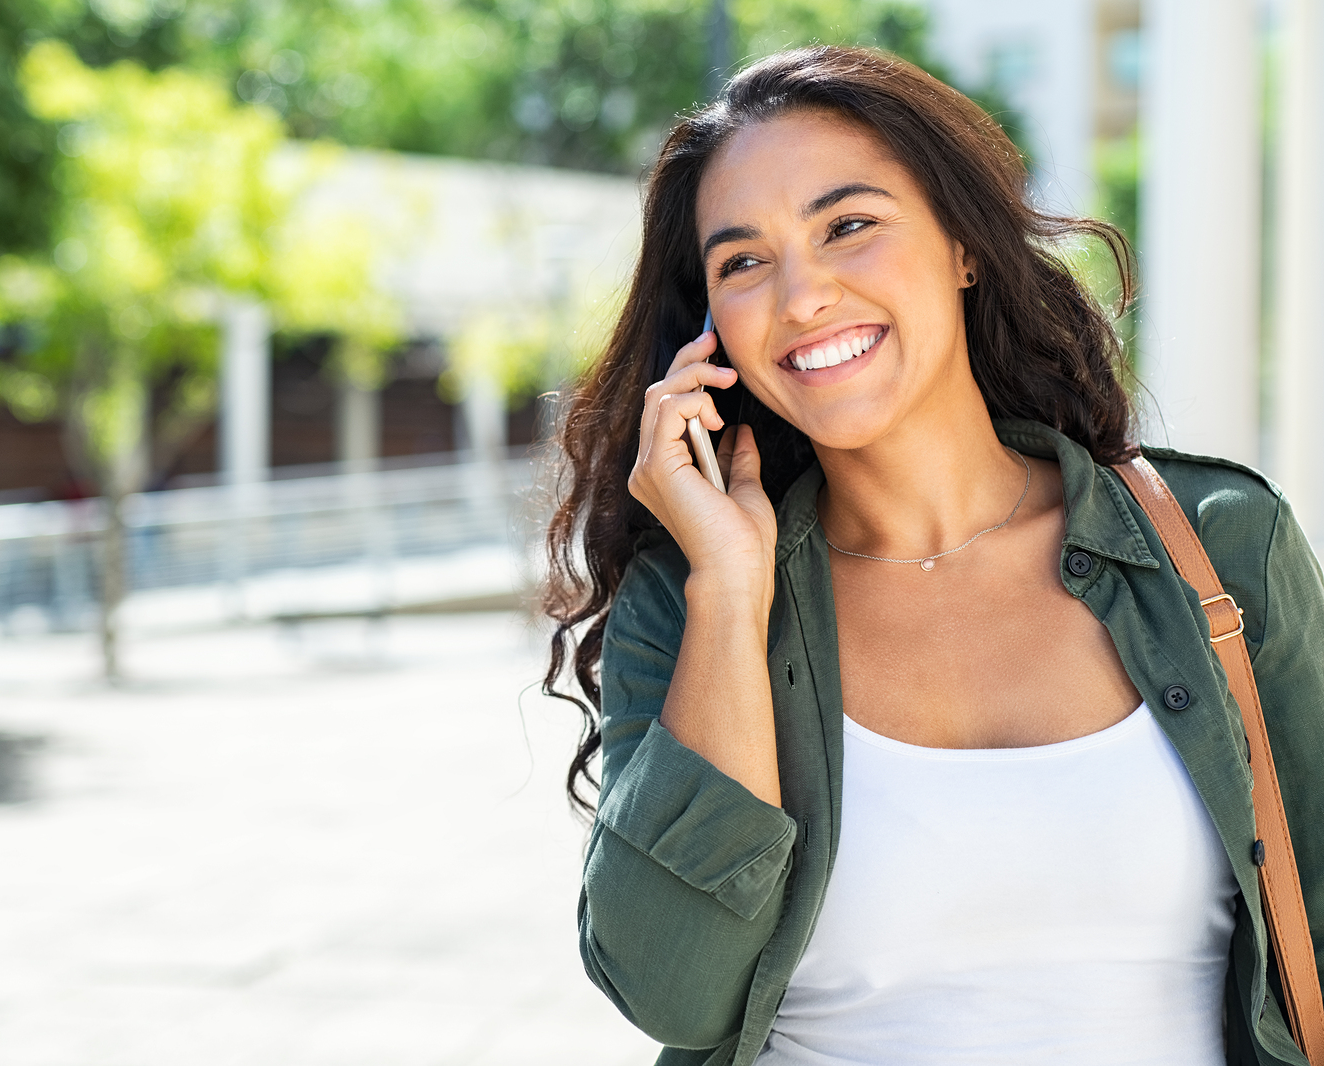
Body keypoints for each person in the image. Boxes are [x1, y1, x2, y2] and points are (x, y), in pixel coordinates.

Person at [541, 46, 1324, 1066]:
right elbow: (668, 992)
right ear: (711, 330)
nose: (802, 293)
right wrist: (731, 593)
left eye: (847, 226)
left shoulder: (1219, 544)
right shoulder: (690, 597)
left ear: (962, 242)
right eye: (742, 261)